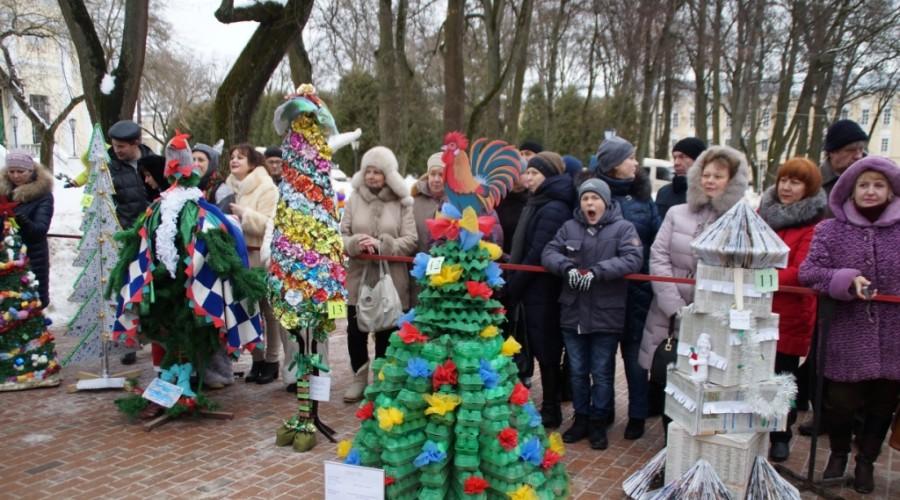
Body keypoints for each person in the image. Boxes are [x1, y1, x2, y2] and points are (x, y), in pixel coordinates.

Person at [799, 156, 900, 494]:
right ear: (850, 190)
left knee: (883, 405)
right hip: (846, 334)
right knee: (839, 403)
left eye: (878, 185)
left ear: (890, 191)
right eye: (863, 184)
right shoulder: (830, 229)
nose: (870, 191)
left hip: (893, 337)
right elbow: (809, 272)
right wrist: (846, 279)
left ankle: (866, 461)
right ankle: (839, 453)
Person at [638, 145, 751, 427]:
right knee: (672, 380)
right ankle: (670, 446)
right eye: (706, 174)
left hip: (714, 318)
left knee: (707, 383)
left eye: (719, 176)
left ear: (733, 181)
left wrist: (709, 307)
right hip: (671, 314)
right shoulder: (677, 213)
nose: (710, 181)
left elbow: (743, 268)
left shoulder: (741, 220)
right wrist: (675, 307)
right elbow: (659, 256)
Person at [542, 178, 643, 449]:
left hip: (605, 315)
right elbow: (549, 252)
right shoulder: (569, 227)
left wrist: (598, 272)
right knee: (576, 371)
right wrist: (566, 268)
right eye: (585, 198)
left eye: (595, 198)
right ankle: (581, 418)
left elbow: (633, 257)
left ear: (606, 202)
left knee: (601, 372)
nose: (589, 203)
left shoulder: (623, 228)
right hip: (572, 313)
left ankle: (599, 422)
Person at [796, 118, 869, 434]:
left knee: (862, 354)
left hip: (863, 281)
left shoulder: (867, 180)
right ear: (832, 153)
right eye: (851, 150)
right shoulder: (817, 186)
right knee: (821, 354)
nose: (857, 155)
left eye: (861, 149)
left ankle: (858, 420)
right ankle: (821, 413)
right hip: (824, 279)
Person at [757, 157, 825, 462]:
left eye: (795, 182)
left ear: (808, 188)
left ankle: (780, 433)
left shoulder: (814, 225)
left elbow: (800, 270)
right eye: (784, 179)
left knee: (782, 377)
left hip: (789, 313)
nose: (786, 186)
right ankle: (755, 426)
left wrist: (756, 276)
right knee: (754, 370)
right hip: (756, 307)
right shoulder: (762, 214)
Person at [593, 136, 660, 440]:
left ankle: (637, 413)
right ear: (613, 165)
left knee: (635, 357)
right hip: (603, 290)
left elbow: (656, 241)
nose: (636, 163)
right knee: (602, 356)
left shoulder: (644, 199)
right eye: (630, 157)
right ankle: (603, 410)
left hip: (637, 290)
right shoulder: (593, 197)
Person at [340, 146, 417, 403]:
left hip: (392, 279)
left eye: (378, 172)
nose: (372, 176)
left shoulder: (403, 203)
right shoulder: (353, 199)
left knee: (387, 332)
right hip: (358, 277)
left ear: (388, 174)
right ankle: (359, 378)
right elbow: (341, 235)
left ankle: (383, 380)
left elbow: (411, 240)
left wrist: (384, 244)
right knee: (355, 331)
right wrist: (354, 244)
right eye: (368, 171)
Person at [508, 151, 575, 429]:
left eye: (534, 173)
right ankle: (545, 405)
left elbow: (537, 251)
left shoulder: (554, 207)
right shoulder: (538, 201)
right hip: (531, 287)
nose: (528, 177)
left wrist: (515, 284)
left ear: (548, 175)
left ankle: (551, 408)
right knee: (536, 347)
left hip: (543, 290)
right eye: (528, 172)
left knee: (546, 351)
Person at [225, 144, 280, 385]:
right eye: (232, 157)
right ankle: (256, 359)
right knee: (248, 310)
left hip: (260, 256)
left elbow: (270, 224)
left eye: (240, 157)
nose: (234, 160)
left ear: (252, 163)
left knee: (269, 312)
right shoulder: (230, 189)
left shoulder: (267, 188)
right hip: (240, 258)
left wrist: (244, 215)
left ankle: (272, 360)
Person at [0, 150, 53, 307]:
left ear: (31, 171)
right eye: (12, 171)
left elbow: (40, 230)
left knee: (32, 302)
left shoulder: (43, 195)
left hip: (32, 256)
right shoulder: (3, 193)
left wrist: (21, 220)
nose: (15, 176)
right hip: (5, 258)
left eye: (20, 171)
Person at [106, 120, 159, 230]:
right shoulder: (108, 168)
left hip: (152, 231)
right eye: (114, 145)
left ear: (136, 143)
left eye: (121, 146)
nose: (116, 150)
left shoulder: (156, 164)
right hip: (126, 234)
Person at [656, 137, 706, 219]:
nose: (676, 163)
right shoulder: (664, 192)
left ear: (698, 160)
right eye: (675, 158)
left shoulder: (710, 191)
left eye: (682, 157)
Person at [412, 153, 447, 253]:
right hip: (417, 265)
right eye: (433, 174)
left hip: (449, 266)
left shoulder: (457, 203)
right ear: (428, 175)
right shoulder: (414, 203)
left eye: (441, 175)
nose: (436, 179)